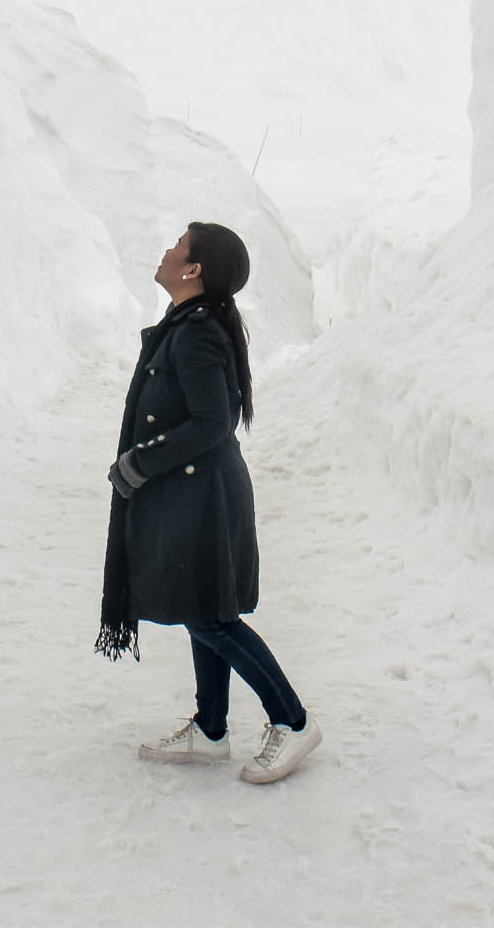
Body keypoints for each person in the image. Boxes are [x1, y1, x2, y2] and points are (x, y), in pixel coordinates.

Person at [96, 221, 322, 785]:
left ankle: (291, 721)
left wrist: (138, 463)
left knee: (210, 616)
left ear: (193, 269)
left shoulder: (196, 333)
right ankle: (212, 728)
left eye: (178, 246)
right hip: (197, 493)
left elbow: (212, 423)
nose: (167, 250)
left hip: (204, 496)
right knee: (204, 606)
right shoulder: (190, 325)